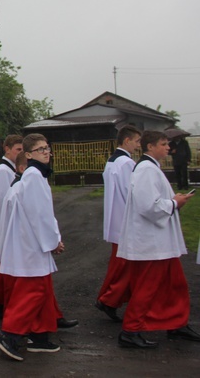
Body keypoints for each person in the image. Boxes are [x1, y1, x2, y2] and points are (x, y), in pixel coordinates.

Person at [116, 130, 197, 349]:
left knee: (174, 285)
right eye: (163, 144)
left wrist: (173, 201)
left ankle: (176, 323)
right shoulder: (146, 170)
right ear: (150, 146)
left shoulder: (151, 168)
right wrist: (174, 203)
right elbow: (147, 205)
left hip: (160, 242)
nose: (168, 148)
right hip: (151, 243)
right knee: (147, 287)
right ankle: (130, 330)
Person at [0, 134, 64, 361]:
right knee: (33, 292)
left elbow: (43, 213)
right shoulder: (33, 176)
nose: (46, 152)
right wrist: (54, 242)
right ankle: (9, 334)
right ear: (29, 155)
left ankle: (40, 337)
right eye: (40, 149)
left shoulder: (34, 176)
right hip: (30, 245)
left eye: (47, 148)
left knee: (40, 290)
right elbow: (40, 215)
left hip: (31, 244)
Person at [95, 126, 141, 322]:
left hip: (116, 219)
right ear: (127, 140)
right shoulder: (127, 163)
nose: (139, 145)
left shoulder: (112, 161)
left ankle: (109, 299)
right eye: (137, 141)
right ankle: (109, 299)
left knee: (119, 265)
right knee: (126, 266)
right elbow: (133, 193)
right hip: (126, 220)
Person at [0, 135, 23, 319]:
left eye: (23, 150)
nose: (20, 153)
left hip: (6, 227)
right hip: (2, 228)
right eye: (17, 149)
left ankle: (2, 304)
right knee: (2, 268)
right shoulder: (3, 171)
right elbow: (3, 201)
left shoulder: (12, 170)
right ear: (6, 149)